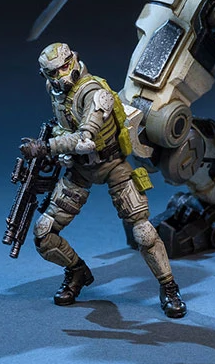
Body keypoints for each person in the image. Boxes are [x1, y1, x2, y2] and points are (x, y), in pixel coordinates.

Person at [20, 41, 186, 318]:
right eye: (53, 72)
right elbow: (66, 129)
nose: (60, 75)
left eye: (64, 67)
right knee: (44, 232)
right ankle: (77, 272)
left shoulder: (95, 93)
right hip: (80, 170)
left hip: (113, 165)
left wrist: (47, 147)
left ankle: (169, 287)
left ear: (74, 61)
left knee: (144, 232)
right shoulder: (56, 92)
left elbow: (85, 139)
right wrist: (58, 148)